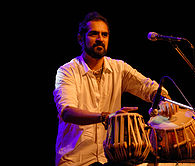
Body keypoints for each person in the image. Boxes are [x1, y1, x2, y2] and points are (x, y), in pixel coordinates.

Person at [53, 11, 178, 166]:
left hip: (109, 160)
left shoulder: (119, 68)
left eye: (104, 35)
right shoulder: (67, 71)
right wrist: (107, 116)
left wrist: (163, 100)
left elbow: (148, 87)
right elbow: (67, 112)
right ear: (80, 39)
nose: (100, 39)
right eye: (93, 34)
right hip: (76, 160)